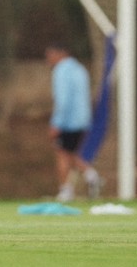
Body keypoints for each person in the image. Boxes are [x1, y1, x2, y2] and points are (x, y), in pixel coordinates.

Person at [44, 43, 101, 202]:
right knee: (72, 153)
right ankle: (91, 177)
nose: (48, 59)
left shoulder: (61, 71)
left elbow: (63, 100)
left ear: (60, 53)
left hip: (68, 121)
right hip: (83, 120)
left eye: (49, 55)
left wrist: (56, 123)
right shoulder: (80, 69)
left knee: (62, 154)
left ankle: (66, 191)